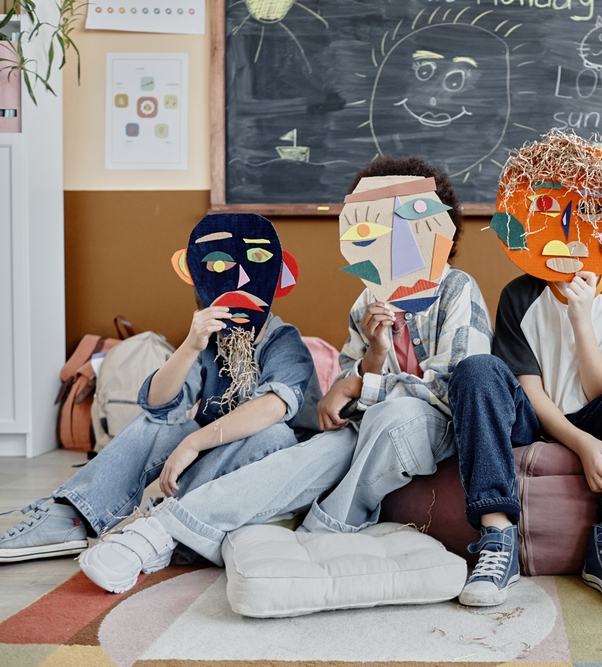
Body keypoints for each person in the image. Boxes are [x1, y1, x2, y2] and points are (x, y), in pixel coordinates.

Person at [73, 157, 493, 593]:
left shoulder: (457, 289)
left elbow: (451, 390)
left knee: (392, 415)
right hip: (373, 423)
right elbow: (343, 402)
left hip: (436, 426)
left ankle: (325, 527)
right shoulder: (366, 302)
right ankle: (159, 531)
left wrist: (360, 385)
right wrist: (374, 356)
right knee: (320, 449)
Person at [449, 131, 602, 608]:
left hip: (598, 413)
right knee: (476, 369)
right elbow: (528, 389)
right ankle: (497, 536)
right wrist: (579, 444)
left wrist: (582, 320)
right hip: (532, 416)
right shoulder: (520, 294)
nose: (569, 234)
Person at [0, 213, 322, 571]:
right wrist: (191, 345)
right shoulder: (211, 342)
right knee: (162, 424)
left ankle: (164, 521)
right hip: (215, 460)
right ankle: (71, 516)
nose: (240, 280)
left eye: (256, 261)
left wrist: (194, 443)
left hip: (272, 471)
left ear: (280, 276)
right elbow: (158, 405)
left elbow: (273, 408)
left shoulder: (283, 341)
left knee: (272, 433)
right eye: (218, 265)